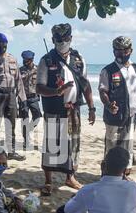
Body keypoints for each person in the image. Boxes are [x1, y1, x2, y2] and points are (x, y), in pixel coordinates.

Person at [36, 23, 96, 196]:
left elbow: (85, 85)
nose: (62, 42)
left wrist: (92, 107)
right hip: (53, 109)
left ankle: (70, 177)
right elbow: (39, 88)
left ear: (71, 38)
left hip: (73, 109)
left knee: (73, 144)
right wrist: (57, 91)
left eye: (65, 39)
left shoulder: (78, 59)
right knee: (52, 145)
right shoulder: (46, 60)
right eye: (58, 39)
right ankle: (48, 180)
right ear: (53, 40)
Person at [99, 36, 136, 176]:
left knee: (127, 147)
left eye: (125, 50)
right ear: (114, 51)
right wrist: (108, 104)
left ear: (131, 50)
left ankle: (123, 175)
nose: (122, 53)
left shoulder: (135, 68)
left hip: (130, 116)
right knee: (111, 148)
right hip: (114, 117)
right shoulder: (108, 70)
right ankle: (106, 175)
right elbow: (102, 91)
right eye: (118, 50)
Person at [0, 33, 29, 161]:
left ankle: (12, 151)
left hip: (11, 96)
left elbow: (18, 81)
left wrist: (23, 100)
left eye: (3, 45)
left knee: (11, 125)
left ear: (7, 45)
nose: (1, 47)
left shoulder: (13, 59)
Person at [19, 50, 42, 150]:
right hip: (23, 97)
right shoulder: (20, 70)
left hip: (34, 97)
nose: (24, 61)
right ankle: (26, 141)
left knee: (37, 115)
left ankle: (29, 129)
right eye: (23, 59)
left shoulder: (39, 69)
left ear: (31, 59)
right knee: (24, 119)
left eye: (26, 60)